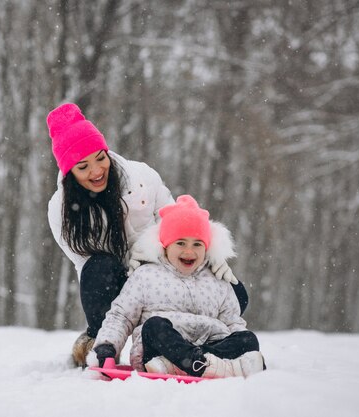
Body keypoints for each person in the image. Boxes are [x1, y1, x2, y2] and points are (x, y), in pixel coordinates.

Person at [45, 103, 247, 367]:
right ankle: (101, 341)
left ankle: (198, 340)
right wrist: (128, 279)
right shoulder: (61, 211)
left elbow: (177, 223)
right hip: (115, 279)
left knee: (236, 292)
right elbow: (84, 266)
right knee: (97, 269)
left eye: (100, 158)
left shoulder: (141, 177)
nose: (96, 171)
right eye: (83, 167)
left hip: (162, 269)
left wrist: (209, 256)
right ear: (70, 173)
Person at [88, 195, 265, 378]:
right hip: (163, 349)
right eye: (180, 243)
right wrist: (107, 347)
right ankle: (209, 366)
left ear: (206, 248)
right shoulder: (146, 275)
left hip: (210, 346)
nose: (189, 251)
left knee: (248, 339)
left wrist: (245, 347)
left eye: (197, 244)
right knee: (154, 326)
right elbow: (121, 316)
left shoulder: (217, 280)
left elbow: (232, 321)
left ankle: (196, 365)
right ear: (165, 246)